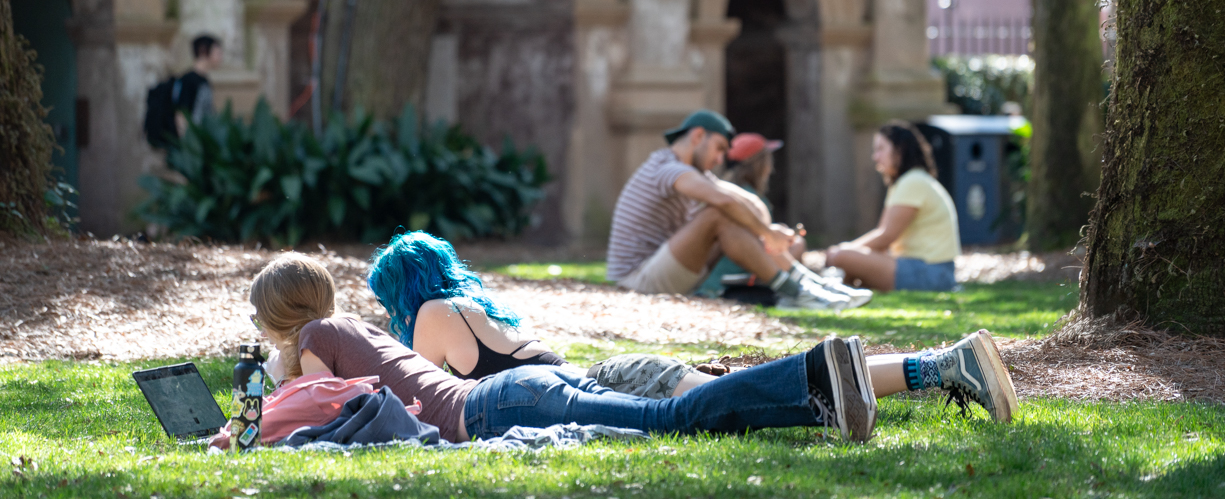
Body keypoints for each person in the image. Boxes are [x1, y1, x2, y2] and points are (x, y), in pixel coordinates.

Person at [248, 253, 1018, 446]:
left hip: (493, 410)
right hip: (528, 394)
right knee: (677, 414)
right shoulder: (366, 329)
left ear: (276, 316)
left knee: (677, 421)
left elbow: (325, 419)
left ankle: (819, 372)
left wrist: (250, 422)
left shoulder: (318, 340)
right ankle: (827, 382)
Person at [365, 231, 716, 399]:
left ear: (403, 290)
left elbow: (416, 396)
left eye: (389, 300)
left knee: (734, 397)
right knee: (733, 396)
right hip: (611, 382)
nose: (392, 311)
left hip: (610, 388)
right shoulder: (470, 307)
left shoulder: (434, 311)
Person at [606, 110, 858, 309]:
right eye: (719, 148)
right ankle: (797, 292)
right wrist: (767, 233)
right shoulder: (667, 168)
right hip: (636, 281)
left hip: (662, 271)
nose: (719, 160)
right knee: (718, 214)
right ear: (697, 136)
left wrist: (768, 230)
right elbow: (723, 201)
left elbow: (748, 202)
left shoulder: (695, 173)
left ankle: (809, 284)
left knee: (730, 215)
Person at [823, 121, 962, 292]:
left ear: (900, 150)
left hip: (930, 272)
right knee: (846, 256)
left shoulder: (913, 181)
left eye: (881, 149)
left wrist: (844, 251)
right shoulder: (905, 182)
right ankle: (839, 290)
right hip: (926, 270)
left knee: (842, 256)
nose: (875, 157)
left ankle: (834, 288)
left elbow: (886, 236)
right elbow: (882, 239)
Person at [174, 34, 222, 137]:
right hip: (192, 141)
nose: (220, 57)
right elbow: (181, 115)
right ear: (203, 50)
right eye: (217, 53)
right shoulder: (188, 80)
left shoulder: (205, 80)